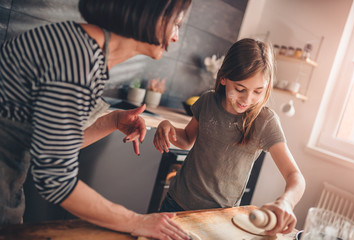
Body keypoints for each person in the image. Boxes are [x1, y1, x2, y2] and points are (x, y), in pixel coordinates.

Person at [0, 0, 192, 239]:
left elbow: (53, 147)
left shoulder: (83, 49)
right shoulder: (77, 60)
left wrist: (111, 121)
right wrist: (137, 221)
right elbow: (55, 178)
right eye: (176, 24)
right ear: (149, 13)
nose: (175, 37)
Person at [153, 38, 306, 236]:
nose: (247, 99)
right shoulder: (207, 101)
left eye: (258, 91)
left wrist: (286, 202)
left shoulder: (264, 121)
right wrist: (167, 127)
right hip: (176, 203)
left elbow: (296, 176)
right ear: (223, 78)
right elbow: (186, 140)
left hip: (218, 217)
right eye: (240, 89)